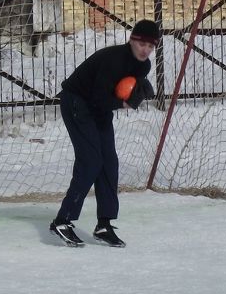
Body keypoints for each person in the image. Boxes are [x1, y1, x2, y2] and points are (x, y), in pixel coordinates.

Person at [49, 19, 160, 248]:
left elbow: (118, 94)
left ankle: (104, 224)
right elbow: (100, 98)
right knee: (91, 161)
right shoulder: (113, 60)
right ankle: (63, 221)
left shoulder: (144, 66)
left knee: (109, 162)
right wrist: (125, 104)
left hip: (99, 109)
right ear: (132, 40)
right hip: (77, 102)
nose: (145, 50)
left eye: (151, 46)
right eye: (142, 44)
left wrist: (135, 94)